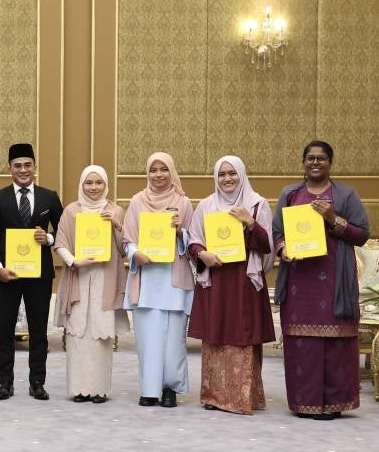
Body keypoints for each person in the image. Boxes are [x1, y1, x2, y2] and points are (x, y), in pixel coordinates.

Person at [272, 141, 369, 420]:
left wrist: (332, 218)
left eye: (322, 158)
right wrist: (283, 249)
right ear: (303, 162)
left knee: (336, 345)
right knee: (303, 345)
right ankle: (305, 402)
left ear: (330, 162)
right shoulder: (290, 194)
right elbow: (277, 232)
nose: (316, 163)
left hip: (335, 281)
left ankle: (334, 404)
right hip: (300, 281)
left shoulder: (346, 195)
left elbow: (362, 234)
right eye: (310, 158)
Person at [187, 156, 275, 414]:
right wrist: (202, 254)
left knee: (242, 333)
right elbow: (193, 240)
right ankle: (214, 396)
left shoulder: (257, 204)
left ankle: (241, 397)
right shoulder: (205, 205)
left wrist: (250, 222)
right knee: (217, 333)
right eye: (222, 174)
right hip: (216, 277)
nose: (227, 179)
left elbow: (267, 245)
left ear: (242, 175)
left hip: (243, 280)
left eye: (232, 173)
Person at [0, 143, 63, 401]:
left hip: (39, 275)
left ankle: (37, 382)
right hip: (7, 275)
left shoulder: (49, 197)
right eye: (18, 166)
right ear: (9, 169)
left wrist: (48, 239)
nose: (23, 170)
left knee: (39, 330)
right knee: (4, 330)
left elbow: (64, 233)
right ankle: (5, 383)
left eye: (28, 165)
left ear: (35, 168)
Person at [122, 152, 193, 408]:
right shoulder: (137, 201)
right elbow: (127, 239)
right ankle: (149, 389)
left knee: (173, 340)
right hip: (147, 279)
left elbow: (193, 241)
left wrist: (179, 231)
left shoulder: (183, 203)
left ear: (172, 171)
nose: (159, 174)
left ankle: (170, 388)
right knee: (148, 338)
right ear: (147, 173)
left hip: (174, 280)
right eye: (153, 170)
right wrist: (134, 253)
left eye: (164, 169)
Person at [52, 165, 129, 404]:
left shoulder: (115, 210)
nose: (94, 188)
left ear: (106, 185)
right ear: (82, 185)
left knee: (101, 336)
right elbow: (60, 242)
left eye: (99, 183)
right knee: (78, 335)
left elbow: (124, 248)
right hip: (79, 276)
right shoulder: (71, 211)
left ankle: (99, 390)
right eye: (89, 183)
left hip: (106, 279)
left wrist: (117, 224)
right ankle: (79, 388)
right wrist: (74, 261)